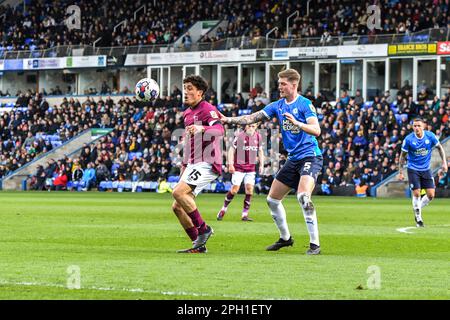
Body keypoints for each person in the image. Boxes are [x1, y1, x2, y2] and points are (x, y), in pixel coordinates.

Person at [220, 68, 323, 255]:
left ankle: (314, 244)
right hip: (293, 159)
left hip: (310, 156)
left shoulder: (305, 104)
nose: (280, 87)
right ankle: (285, 239)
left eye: (283, 84)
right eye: (279, 84)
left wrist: (298, 123)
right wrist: (228, 119)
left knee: (303, 197)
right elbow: (251, 118)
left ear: (294, 84)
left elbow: (317, 130)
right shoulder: (278, 105)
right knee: (272, 200)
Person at [171, 75, 224, 253]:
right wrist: (184, 164)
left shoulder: (207, 109)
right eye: (185, 88)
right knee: (177, 206)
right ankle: (198, 244)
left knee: (178, 192)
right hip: (193, 163)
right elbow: (189, 141)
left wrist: (203, 128)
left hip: (208, 162)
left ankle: (204, 229)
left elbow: (219, 130)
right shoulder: (187, 113)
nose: (186, 92)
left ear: (200, 92)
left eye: (190, 88)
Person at [398, 118, 448, 227]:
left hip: (426, 169)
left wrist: (444, 162)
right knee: (416, 193)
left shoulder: (430, 136)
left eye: (418, 126)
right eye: (414, 126)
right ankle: (419, 218)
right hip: (413, 169)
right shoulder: (408, 139)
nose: (416, 128)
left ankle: (417, 207)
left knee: (430, 195)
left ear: (423, 126)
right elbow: (402, 156)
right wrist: (400, 171)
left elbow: (440, 148)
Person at [217, 123, 264, 222]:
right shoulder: (239, 136)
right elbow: (231, 150)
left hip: (250, 169)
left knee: (250, 190)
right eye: (249, 126)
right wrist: (230, 164)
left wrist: (261, 165)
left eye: (253, 126)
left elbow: (260, 151)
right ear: (246, 127)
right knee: (234, 190)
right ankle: (223, 209)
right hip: (239, 168)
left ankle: (244, 215)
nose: (251, 128)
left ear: (256, 127)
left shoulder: (258, 136)